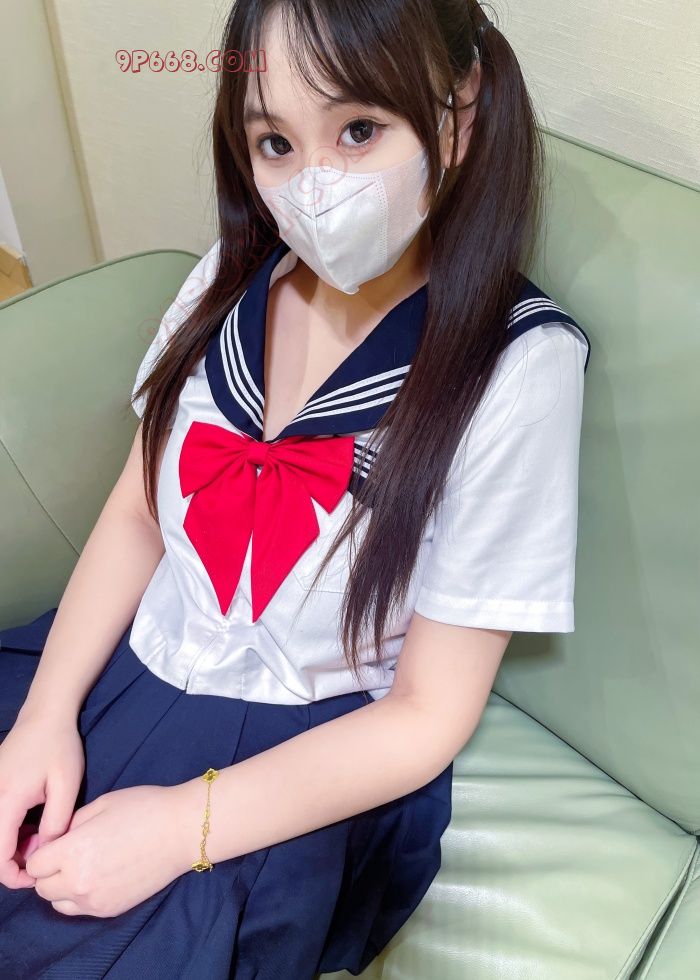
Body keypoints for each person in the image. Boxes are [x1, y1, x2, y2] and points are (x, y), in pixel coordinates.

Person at [0, 1, 591, 977]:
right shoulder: (225, 283)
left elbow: (427, 713)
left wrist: (178, 829)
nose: (315, 185)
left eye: (359, 130)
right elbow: (138, 513)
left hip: (293, 763)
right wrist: (42, 716)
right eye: (275, 142)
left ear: (461, 110)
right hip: (122, 659)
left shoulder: (517, 367)